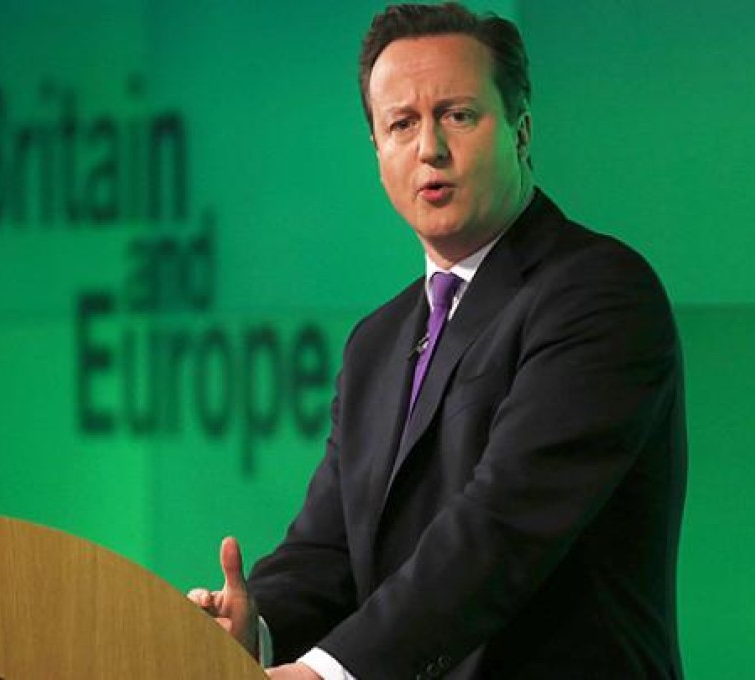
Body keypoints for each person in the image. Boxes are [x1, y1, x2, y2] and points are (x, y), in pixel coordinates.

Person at [189, 3, 686, 678]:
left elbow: (499, 531)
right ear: (377, 151)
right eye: (402, 123)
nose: (430, 147)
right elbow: (332, 548)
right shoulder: (377, 341)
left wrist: (329, 672)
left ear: (521, 129)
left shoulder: (598, 294)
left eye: (458, 114)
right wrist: (261, 624)